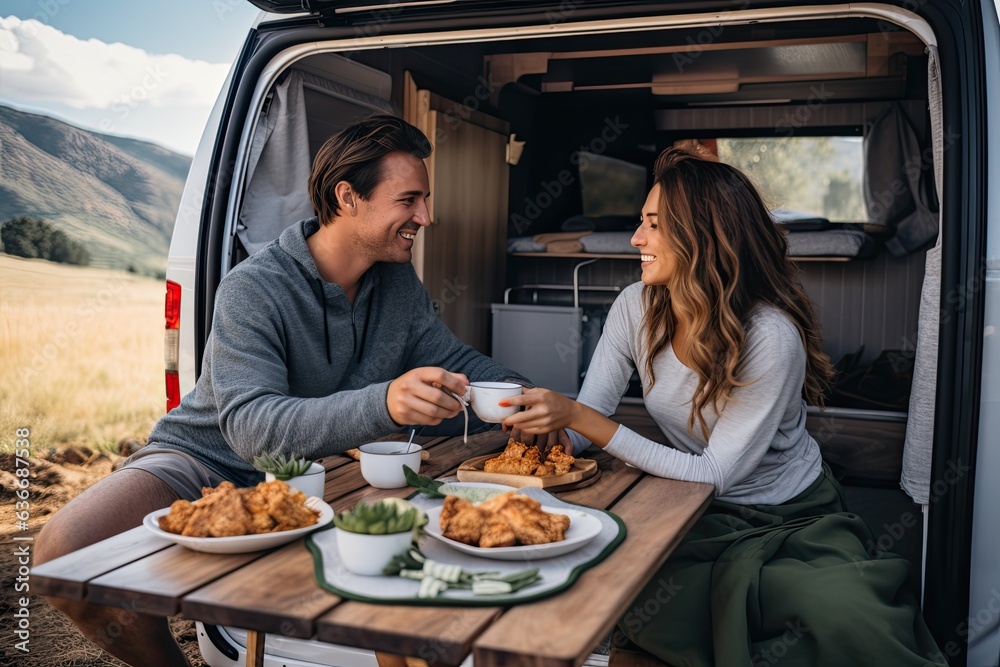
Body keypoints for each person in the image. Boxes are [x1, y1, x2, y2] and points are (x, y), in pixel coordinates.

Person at [35, 114, 540, 667]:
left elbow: (456, 362)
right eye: (409, 200)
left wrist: (531, 398)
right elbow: (253, 430)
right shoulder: (254, 288)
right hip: (207, 461)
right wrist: (383, 403)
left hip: (313, 475)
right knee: (62, 553)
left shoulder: (398, 285)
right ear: (348, 197)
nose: (426, 216)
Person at [501, 148, 944, 666]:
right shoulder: (634, 307)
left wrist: (580, 419)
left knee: (843, 616)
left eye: (653, 225)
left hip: (792, 516)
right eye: (639, 223)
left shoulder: (770, 336)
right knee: (626, 590)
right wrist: (549, 430)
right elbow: (590, 416)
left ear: (703, 236)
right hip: (695, 511)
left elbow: (715, 474)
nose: (636, 239)